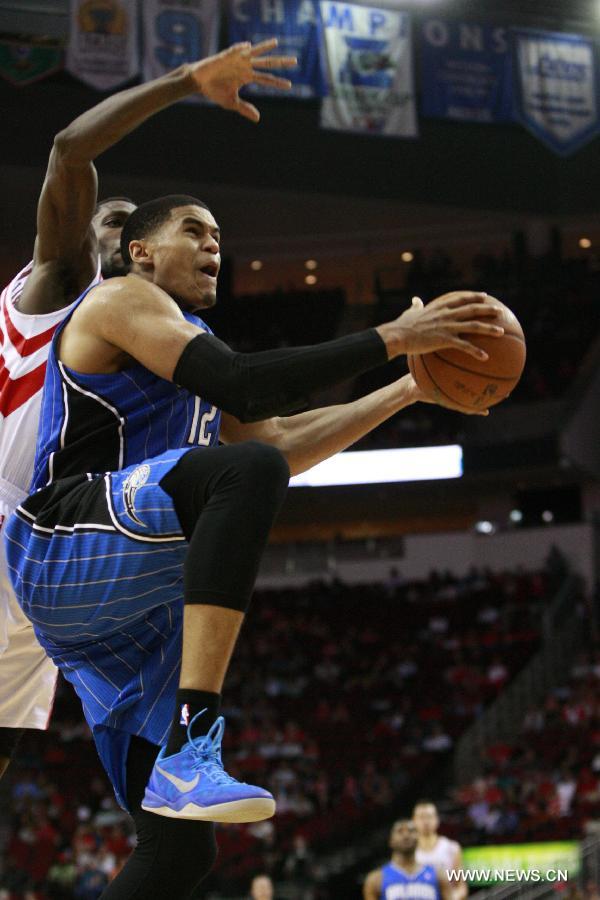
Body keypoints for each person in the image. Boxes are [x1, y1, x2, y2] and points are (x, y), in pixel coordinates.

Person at [6, 199, 502, 895]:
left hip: (125, 606)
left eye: (219, 236)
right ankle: (194, 740)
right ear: (142, 251)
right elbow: (247, 389)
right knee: (241, 473)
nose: (214, 245)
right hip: (61, 542)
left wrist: (407, 388)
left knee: (179, 854)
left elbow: (279, 445)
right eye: (194, 232)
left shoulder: (192, 339)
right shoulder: (121, 300)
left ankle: (182, 766)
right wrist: (393, 334)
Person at [0, 37, 296, 783]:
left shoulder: (163, 355)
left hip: (62, 551)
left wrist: (407, 386)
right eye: (112, 221)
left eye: (135, 226)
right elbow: (70, 148)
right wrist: (186, 81)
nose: (124, 231)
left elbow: (273, 443)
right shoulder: (63, 286)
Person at [364, 819, 452, 900]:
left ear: (418, 838)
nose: (406, 835)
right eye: (400, 831)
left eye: (411, 831)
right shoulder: (375, 879)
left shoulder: (438, 875)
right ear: (391, 840)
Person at [414, 801, 467, 899]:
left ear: (437, 820)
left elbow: (461, 887)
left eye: (429, 817)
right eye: (421, 817)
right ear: (414, 821)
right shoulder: (408, 851)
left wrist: (453, 897)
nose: (426, 821)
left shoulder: (452, 848)